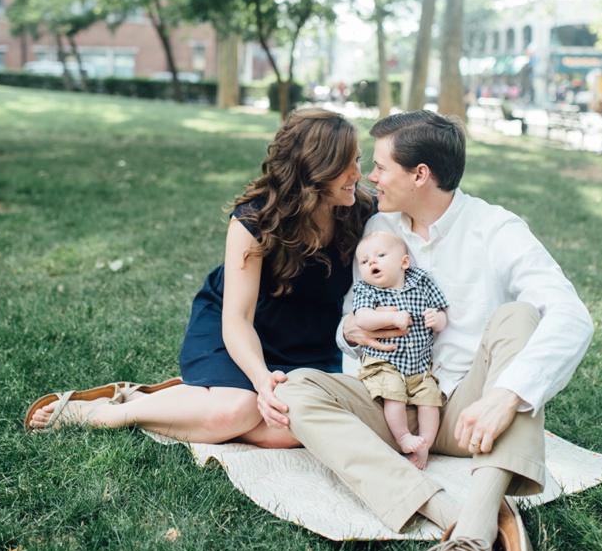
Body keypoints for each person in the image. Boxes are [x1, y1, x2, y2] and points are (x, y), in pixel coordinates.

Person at [274, 111, 594, 551]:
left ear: (420, 174)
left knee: (520, 316)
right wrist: (353, 330)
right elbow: (347, 325)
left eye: (380, 167)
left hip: (472, 410)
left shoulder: (496, 229)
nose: (370, 178)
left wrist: (504, 397)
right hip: (392, 401)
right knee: (295, 391)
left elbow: (572, 316)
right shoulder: (379, 227)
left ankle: (470, 545)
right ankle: (461, 515)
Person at [26, 108, 371, 446]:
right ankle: (111, 412)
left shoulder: (361, 213)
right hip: (238, 331)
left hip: (309, 341)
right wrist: (262, 380)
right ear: (315, 169)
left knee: (289, 428)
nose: (359, 173)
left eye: (358, 160)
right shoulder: (255, 220)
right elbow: (237, 318)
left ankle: (187, 400)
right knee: (235, 411)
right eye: (348, 165)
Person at [351, 229, 451, 470]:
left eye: (380, 255)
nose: (371, 262)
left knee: (430, 400)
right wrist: (392, 319)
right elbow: (362, 318)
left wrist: (438, 320)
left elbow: (441, 310)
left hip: (419, 365)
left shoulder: (421, 280)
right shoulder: (366, 289)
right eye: (364, 261)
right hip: (384, 362)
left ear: (404, 262)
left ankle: (424, 446)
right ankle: (404, 437)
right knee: (392, 394)